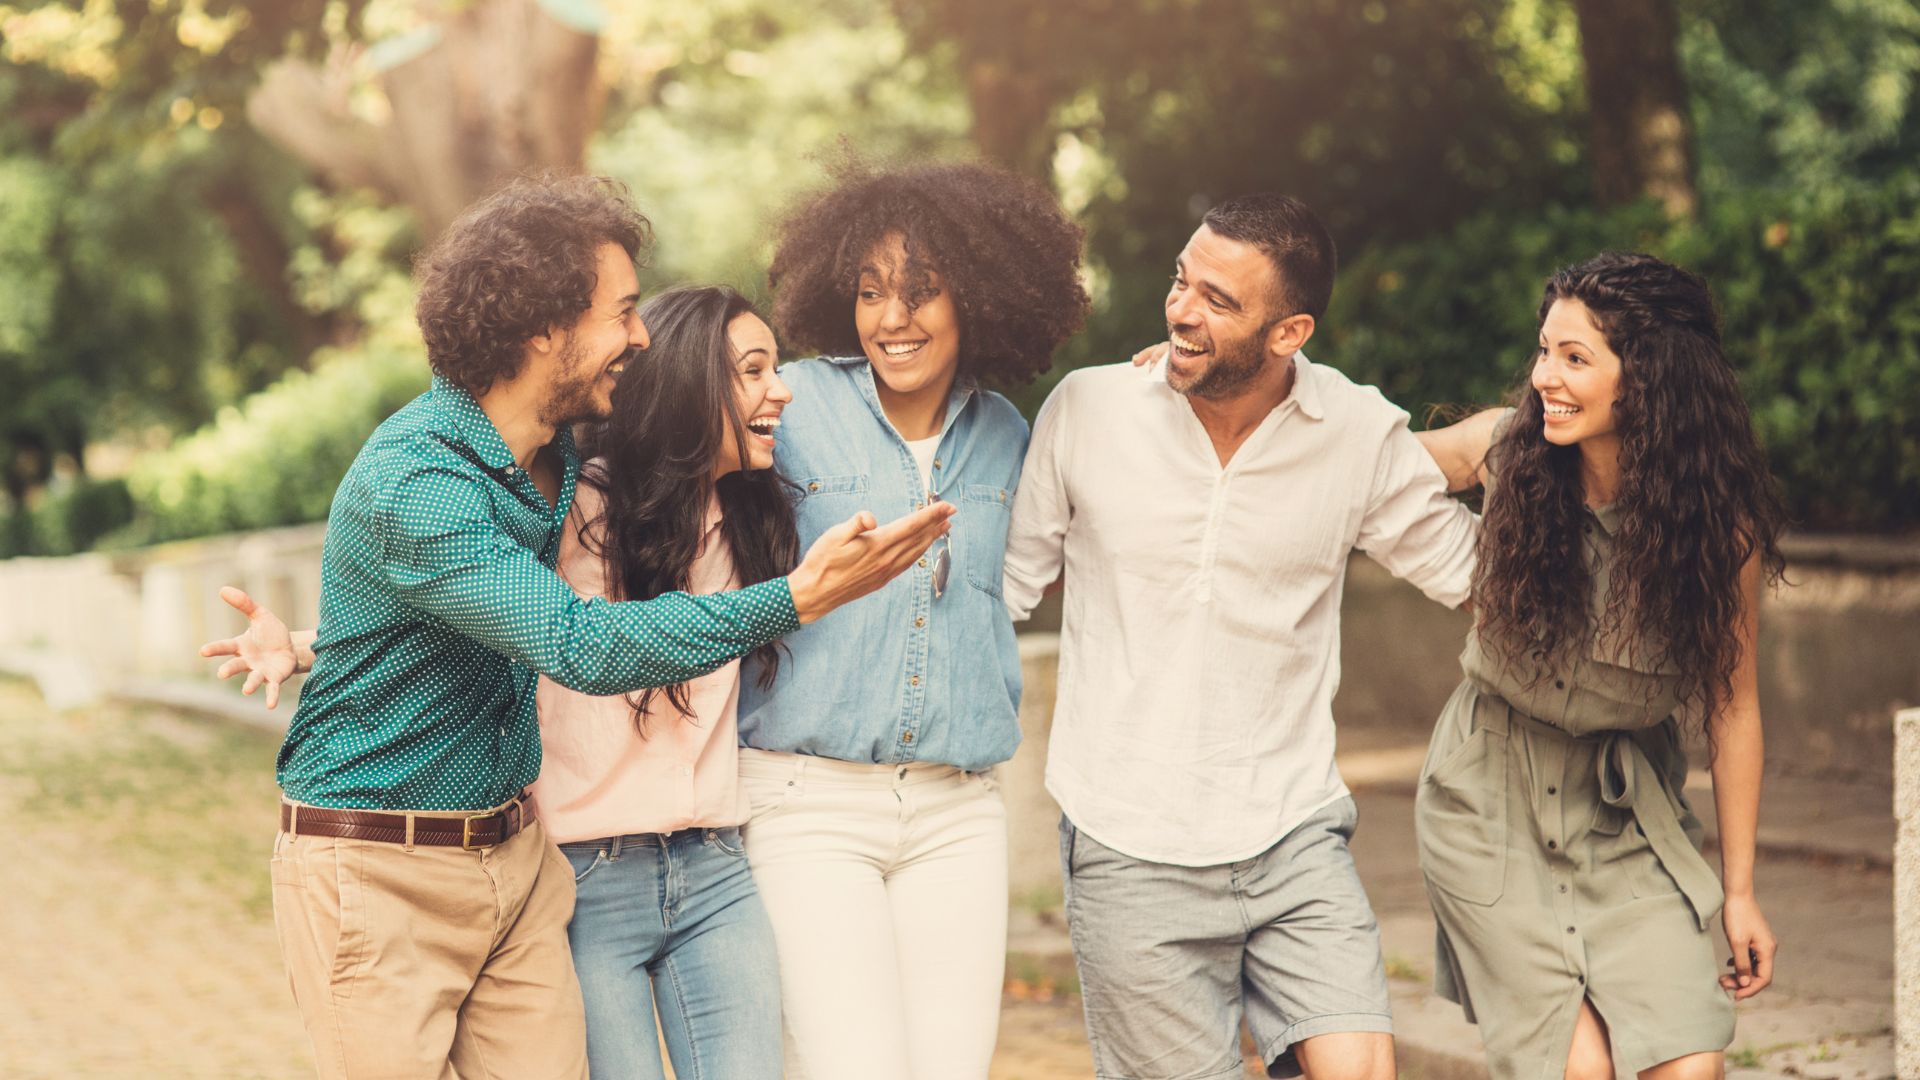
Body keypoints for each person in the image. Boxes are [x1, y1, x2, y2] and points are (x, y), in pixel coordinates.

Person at [198, 174, 953, 1080]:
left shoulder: (556, 457)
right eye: (624, 312)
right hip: (376, 869)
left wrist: (323, 640)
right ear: (542, 328)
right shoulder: (419, 480)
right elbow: (579, 643)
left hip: (516, 862)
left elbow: (480, 602)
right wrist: (799, 597)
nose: (642, 335)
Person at [1004, 192, 1478, 1080]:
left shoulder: (1355, 434)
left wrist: (1540, 452)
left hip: (1290, 831)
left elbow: (1482, 583)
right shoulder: (1088, 411)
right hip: (1127, 841)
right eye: (1183, 282)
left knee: (1362, 1068)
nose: (1182, 310)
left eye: (1219, 301)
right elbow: (1001, 592)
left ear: (1289, 332)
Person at [734, 158, 1089, 1080]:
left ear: (981, 297)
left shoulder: (1011, 433)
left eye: (922, 293)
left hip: (956, 810)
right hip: (809, 802)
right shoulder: (792, 404)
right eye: (870, 292)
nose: (893, 319)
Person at [1412, 252, 1782, 1079]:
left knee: (1690, 1065)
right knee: (1577, 1070)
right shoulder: (1507, 453)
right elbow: (1357, 467)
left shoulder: (1719, 534)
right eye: (1545, 350)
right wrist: (1220, 392)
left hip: (1626, 815)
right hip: (1487, 801)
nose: (1546, 376)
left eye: (1575, 357)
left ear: (1647, 380)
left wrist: (1741, 891)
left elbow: (1734, 708)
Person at [534, 286, 794, 1080]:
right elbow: (468, 605)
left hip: (716, 868)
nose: (780, 391)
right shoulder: (579, 508)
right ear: (688, 384)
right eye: (753, 372)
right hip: (586, 880)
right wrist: (309, 646)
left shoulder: (749, 519)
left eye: (776, 369)